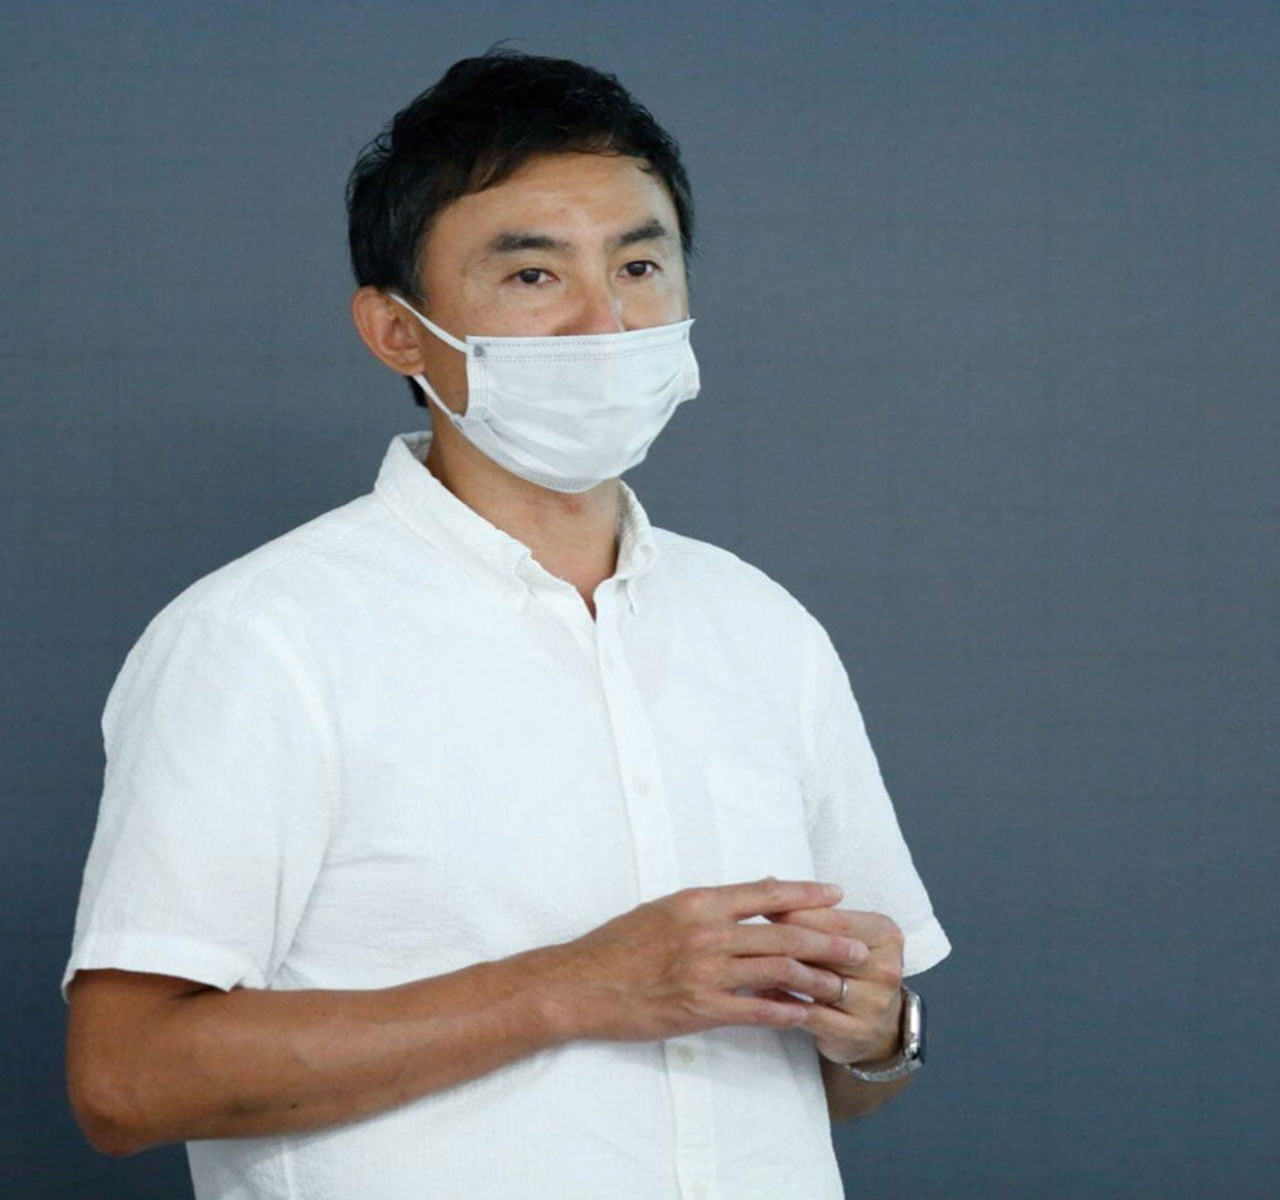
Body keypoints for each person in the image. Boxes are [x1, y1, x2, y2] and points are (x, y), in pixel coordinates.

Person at [64, 49, 949, 1199]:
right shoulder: (263, 638)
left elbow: (847, 1077)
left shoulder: (760, 626)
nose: (604, 322)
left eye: (639, 265)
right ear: (397, 331)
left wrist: (876, 1033)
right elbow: (126, 1080)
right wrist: (573, 987)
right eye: (533, 275)